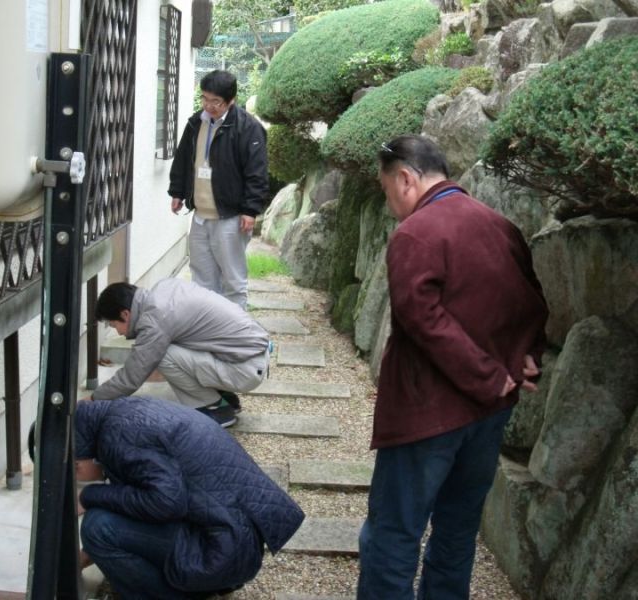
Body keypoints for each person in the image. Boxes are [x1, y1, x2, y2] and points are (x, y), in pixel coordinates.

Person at [357, 135, 548, 599]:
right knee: (457, 533)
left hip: (428, 414)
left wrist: (488, 374)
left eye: (387, 191)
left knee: (394, 533)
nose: (390, 205)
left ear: (405, 178)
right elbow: (532, 303)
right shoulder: (500, 225)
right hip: (489, 413)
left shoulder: (417, 233)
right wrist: (525, 355)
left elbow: (422, 319)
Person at [74, 396, 305, 600]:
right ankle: (200, 587)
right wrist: (83, 559)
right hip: (237, 540)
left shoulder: (118, 436)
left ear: (77, 462)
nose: (79, 479)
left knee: (97, 526)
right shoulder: (128, 413)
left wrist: (89, 495)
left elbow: (165, 503)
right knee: (117, 510)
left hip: (220, 552)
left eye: (75, 474)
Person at [91, 278, 270, 427]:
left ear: (125, 314)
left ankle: (215, 409)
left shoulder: (155, 318)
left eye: (114, 325)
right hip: (251, 356)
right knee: (172, 345)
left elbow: (131, 377)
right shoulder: (164, 289)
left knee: (163, 355)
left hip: (244, 368)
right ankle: (225, 398)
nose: (119, 333)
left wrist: (93, 400)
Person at [168, 69, 269, 310]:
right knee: (202, 279)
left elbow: (257, 172)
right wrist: (177, 192)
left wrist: (250, 210)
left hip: (230, 217)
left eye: (216, 101)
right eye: (205, 98)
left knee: (232, 281)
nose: (209, 106)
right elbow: (183, 159)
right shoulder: (196, 123)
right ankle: (208, 331)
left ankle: (236, 337)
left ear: (231, 100)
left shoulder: (247, 127)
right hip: (201, 216)